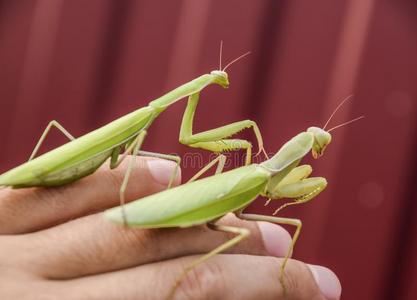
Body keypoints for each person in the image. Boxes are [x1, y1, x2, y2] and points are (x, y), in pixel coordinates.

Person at [0, 157, 341, 299]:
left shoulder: (259, 170)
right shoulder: (260, 172)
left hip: (196, 204)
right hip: (182, 209)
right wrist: (194, 274)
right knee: (285, 225)